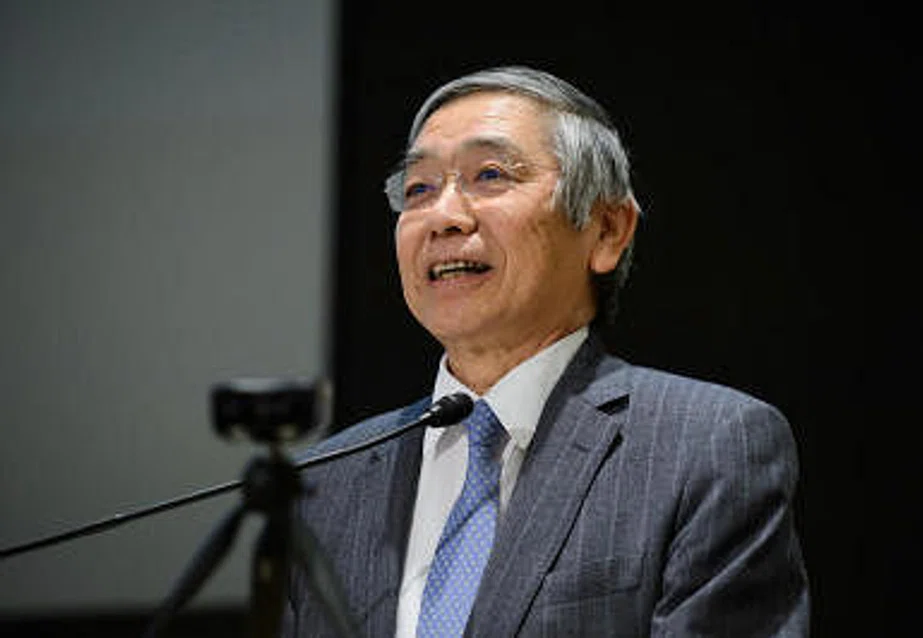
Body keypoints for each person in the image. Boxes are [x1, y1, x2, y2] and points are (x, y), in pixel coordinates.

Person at [283, 66, 809, 637]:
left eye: (490, 175)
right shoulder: (325, 483)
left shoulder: (706, 446)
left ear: (606, 230)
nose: (444, 217)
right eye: (419, 189)